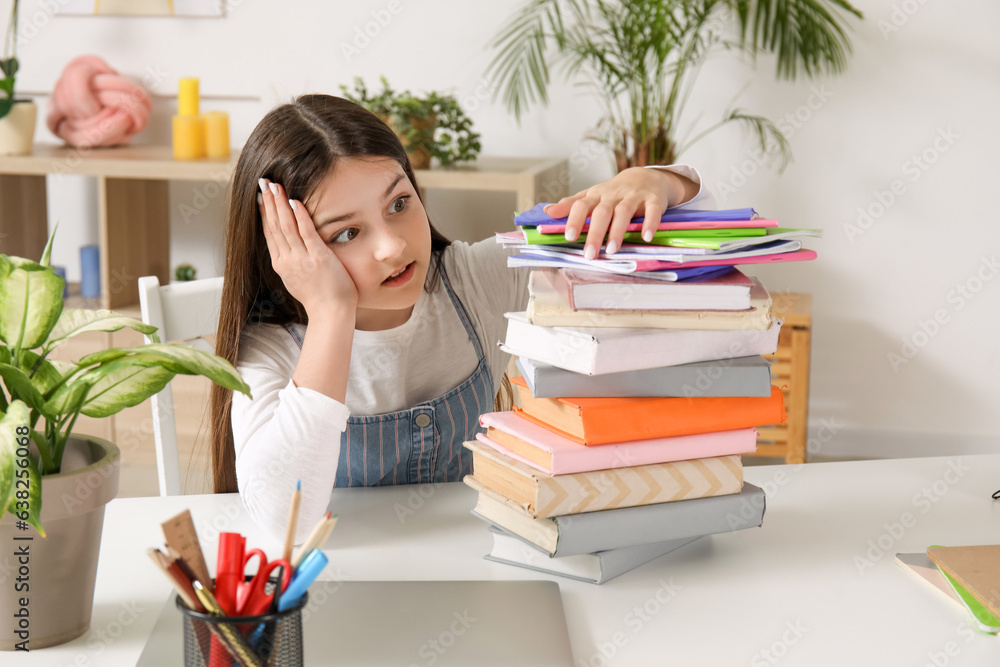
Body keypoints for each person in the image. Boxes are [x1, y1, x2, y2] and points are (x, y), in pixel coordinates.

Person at [209, 94, 710, 540]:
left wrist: (659, 181)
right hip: (341, 589)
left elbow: (700, 253)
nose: (393, 246)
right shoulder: (268, 347)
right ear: (288, 251)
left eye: (399, 203)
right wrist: (332, 312)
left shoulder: (475, 280)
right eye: (346, 234)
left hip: (477, 565)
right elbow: (284, 521)